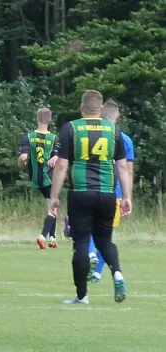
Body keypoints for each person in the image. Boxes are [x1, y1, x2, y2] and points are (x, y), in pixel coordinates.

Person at [49, 90, 132, 304]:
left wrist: (54, 196)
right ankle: (117, 273)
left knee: (82, 243)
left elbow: (62, 165)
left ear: (81, 108)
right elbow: (123, 167)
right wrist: (127, 196)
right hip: (107, 193)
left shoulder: (71, 128)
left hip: (81, 193)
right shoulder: (113, 129)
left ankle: (82, 295)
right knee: (105, 240)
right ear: (101, 109)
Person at [88, 100, 135, 283]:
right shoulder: (125, 139)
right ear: (118, 116)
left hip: (92, 188)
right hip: (114, 194)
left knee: (88, 230)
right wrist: (126, 196)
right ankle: (97, 272)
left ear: (100, 114)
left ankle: (91, 254)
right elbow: (127, 170)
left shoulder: (91, 135)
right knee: (106, 236)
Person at [18, 108, 59, 249]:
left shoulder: (28, 137)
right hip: (50, 176)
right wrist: (56, 156)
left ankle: (53, 238)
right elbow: (58, 154)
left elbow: (23, 157)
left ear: (37, 119)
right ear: (49, 120)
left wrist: (22, 163)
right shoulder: (54, 138)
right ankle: (43, 236)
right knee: (53, 207)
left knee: (51, 205)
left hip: (37, 177)